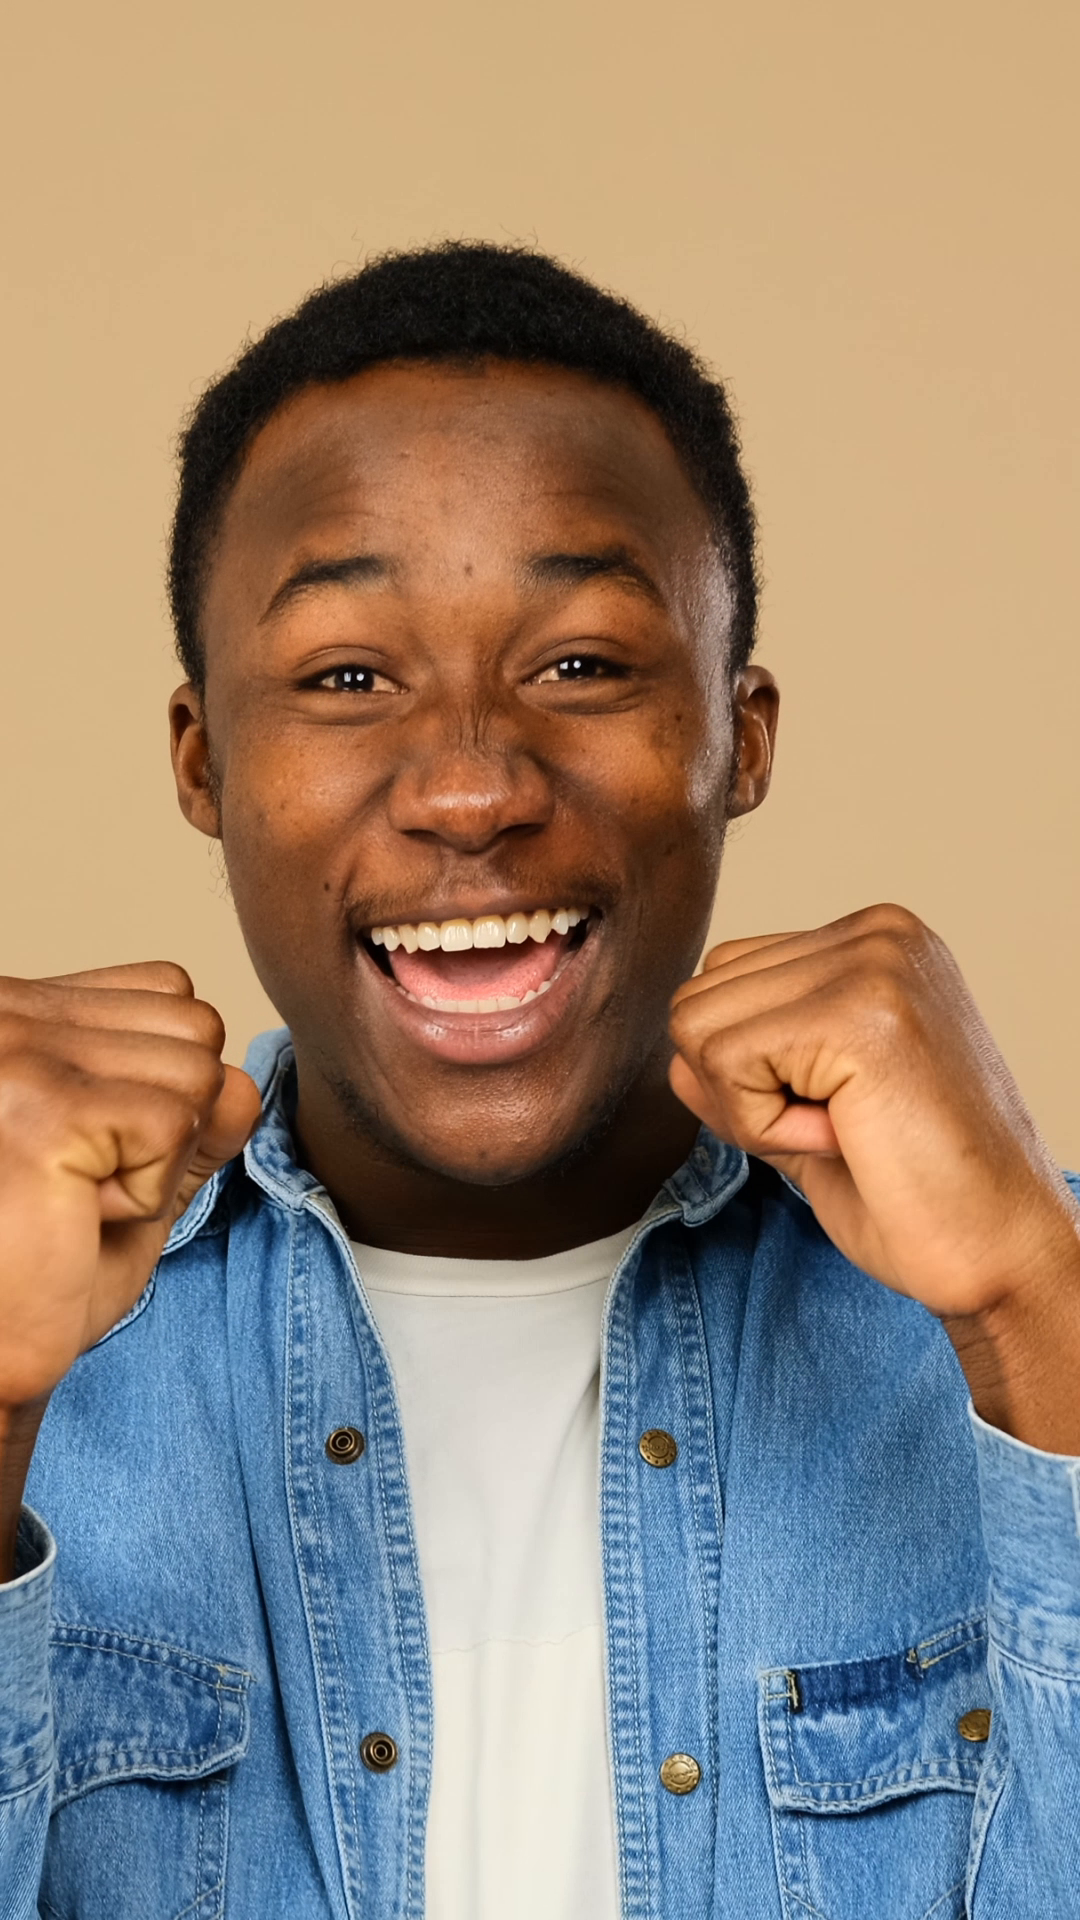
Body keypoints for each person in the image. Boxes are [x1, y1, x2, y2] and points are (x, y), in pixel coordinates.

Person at [1, 243, 1078, 1920]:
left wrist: (1036, 1313)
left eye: (580, 664)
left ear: (740, 735)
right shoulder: (26, 1328)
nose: (471, 787)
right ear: (204, 760)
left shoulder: (1039, 1296)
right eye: (348, 677)